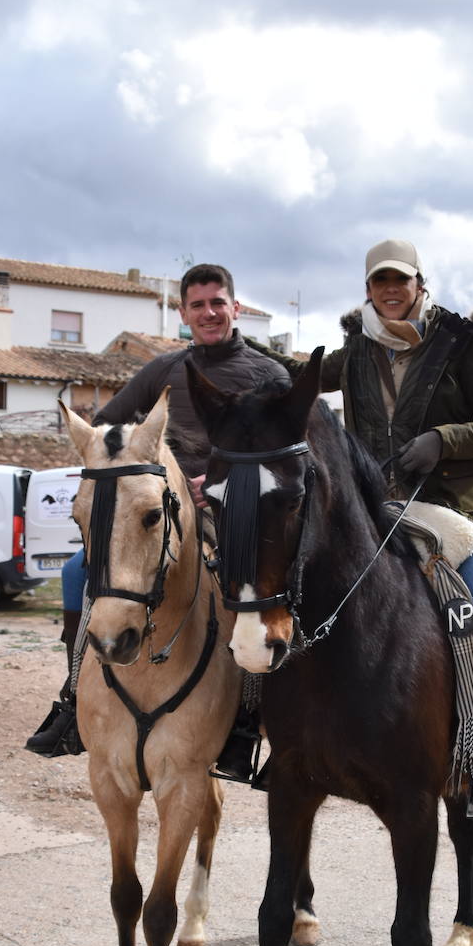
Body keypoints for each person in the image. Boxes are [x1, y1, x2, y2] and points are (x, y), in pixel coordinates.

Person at [251, 237, 473, 815]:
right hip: (374, 507)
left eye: (401, 280)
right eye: (380, 282)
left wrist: (442, 440)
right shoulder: (355, 351)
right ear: (368, 289)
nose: (391, 290)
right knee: (281, 577)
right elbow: (298, 376)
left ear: (420, 283)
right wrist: (235, 345)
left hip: (450, 506)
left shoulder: (460, 342)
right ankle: (269, 729)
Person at [26, 262, 291, 774]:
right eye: (198, 305)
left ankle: (244, 721)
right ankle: (72, 696)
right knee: (76, 572)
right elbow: (105, 428)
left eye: (218, 303)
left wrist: (218, 484)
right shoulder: (161, 371)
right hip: (154, 511)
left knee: (249, 587)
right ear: (183, 313)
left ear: (235, 308)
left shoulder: (269, 375)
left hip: (227, 512)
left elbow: (284, 456)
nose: (209, 313)